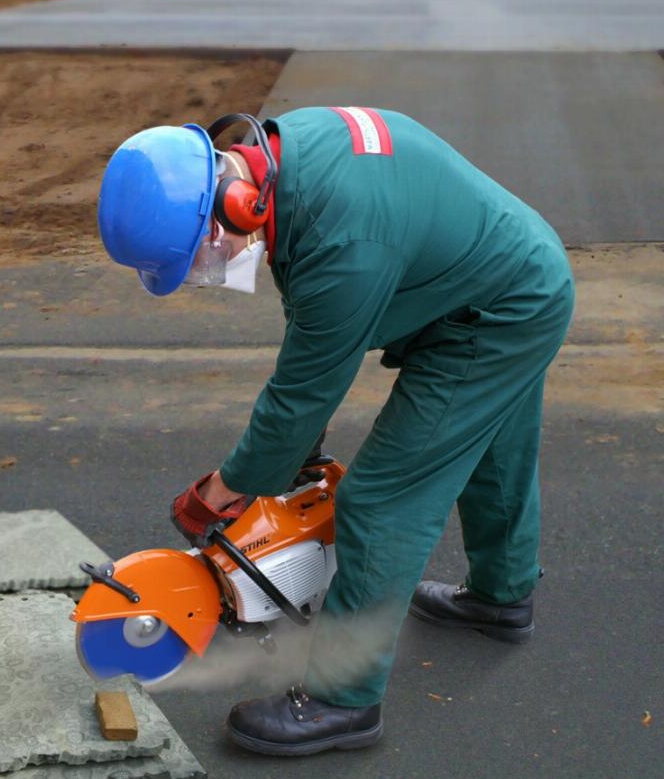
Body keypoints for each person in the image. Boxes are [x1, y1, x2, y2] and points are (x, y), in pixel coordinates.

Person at [97, 108, 575, 756]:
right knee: (491, 443)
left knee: (382, 500)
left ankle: (341, 700)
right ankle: (501, 596)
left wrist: (224, 489)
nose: (212, 271)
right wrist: (288, 457)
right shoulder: (285, 159)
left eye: (204, 255)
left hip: (498, 311)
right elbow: (316, 349)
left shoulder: (342, 242)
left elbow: (304, 390)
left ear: (233, 205)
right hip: (500, 272)